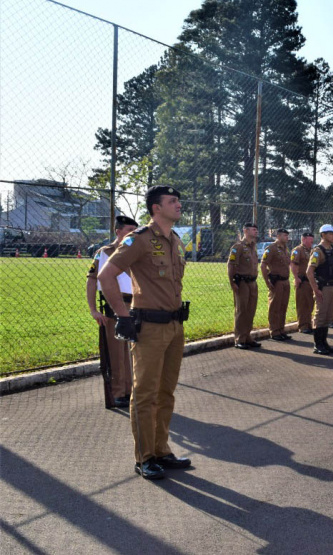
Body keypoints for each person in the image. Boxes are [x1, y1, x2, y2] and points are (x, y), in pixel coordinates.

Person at [99, 185, 191, 480]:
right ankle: (145, 457)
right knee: (145, 393)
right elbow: (106, 275)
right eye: (172, 201)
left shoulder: (175, 240)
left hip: (175, 326)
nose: (178, 205)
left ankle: (161, 449)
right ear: (156, 208)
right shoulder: (138, 240)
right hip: (149, 327)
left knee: (166, 391)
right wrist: (121, 316)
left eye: (178, 200)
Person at [86, 214, 138, 408]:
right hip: (113, 306)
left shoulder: (137, 251)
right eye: (129, 231)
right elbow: (91, 281)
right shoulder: (104, 253)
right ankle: (118, 392)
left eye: (134, 231)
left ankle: (132, 390)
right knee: (116, 353)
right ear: (118, 231)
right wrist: (93, 309)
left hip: (136, 305)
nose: (132, 234)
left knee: (134, 352)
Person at [306, 224, 333, 355]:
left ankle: (324, 343)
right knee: (321, 316)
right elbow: (309, 272)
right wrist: (316, 290)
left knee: (328, 316)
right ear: (323, 235)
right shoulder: (318, 251)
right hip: (324, 287)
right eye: (330, 234)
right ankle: (318, 345)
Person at [228, 223, 261, 349]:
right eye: (253, 229)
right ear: (245, 231)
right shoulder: (238, 247)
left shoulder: (253, 247)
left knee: (251, 310)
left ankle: (247, 336)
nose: (256, 231)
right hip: (242, 283)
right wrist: (232, 283)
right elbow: (231, 266)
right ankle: (239, 339)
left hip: (252, 282)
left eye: (256, 229)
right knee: (242, 311)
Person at [261, 228, 291, 341]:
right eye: (285, 235)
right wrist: (267, 281)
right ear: (278, 236)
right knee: (275, 307)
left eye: (287, 236)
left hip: (285, 281)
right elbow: (263, 265)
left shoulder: (285, 249)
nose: (287, 237)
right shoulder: (271, 249)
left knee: (283, 307)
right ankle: (274, 331)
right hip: (277, 282)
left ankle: (281, 329)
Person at [290, 232, 315, 334]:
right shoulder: (298, 250)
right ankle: (303, 325)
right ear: (304, 239)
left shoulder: (311, 251)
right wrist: (296, 278)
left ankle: (308, 324)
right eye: (310, 240)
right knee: (302, 304)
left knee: (310, 304)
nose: (312, 242)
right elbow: (293, 265)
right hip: (302, 281)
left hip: (310, 282)